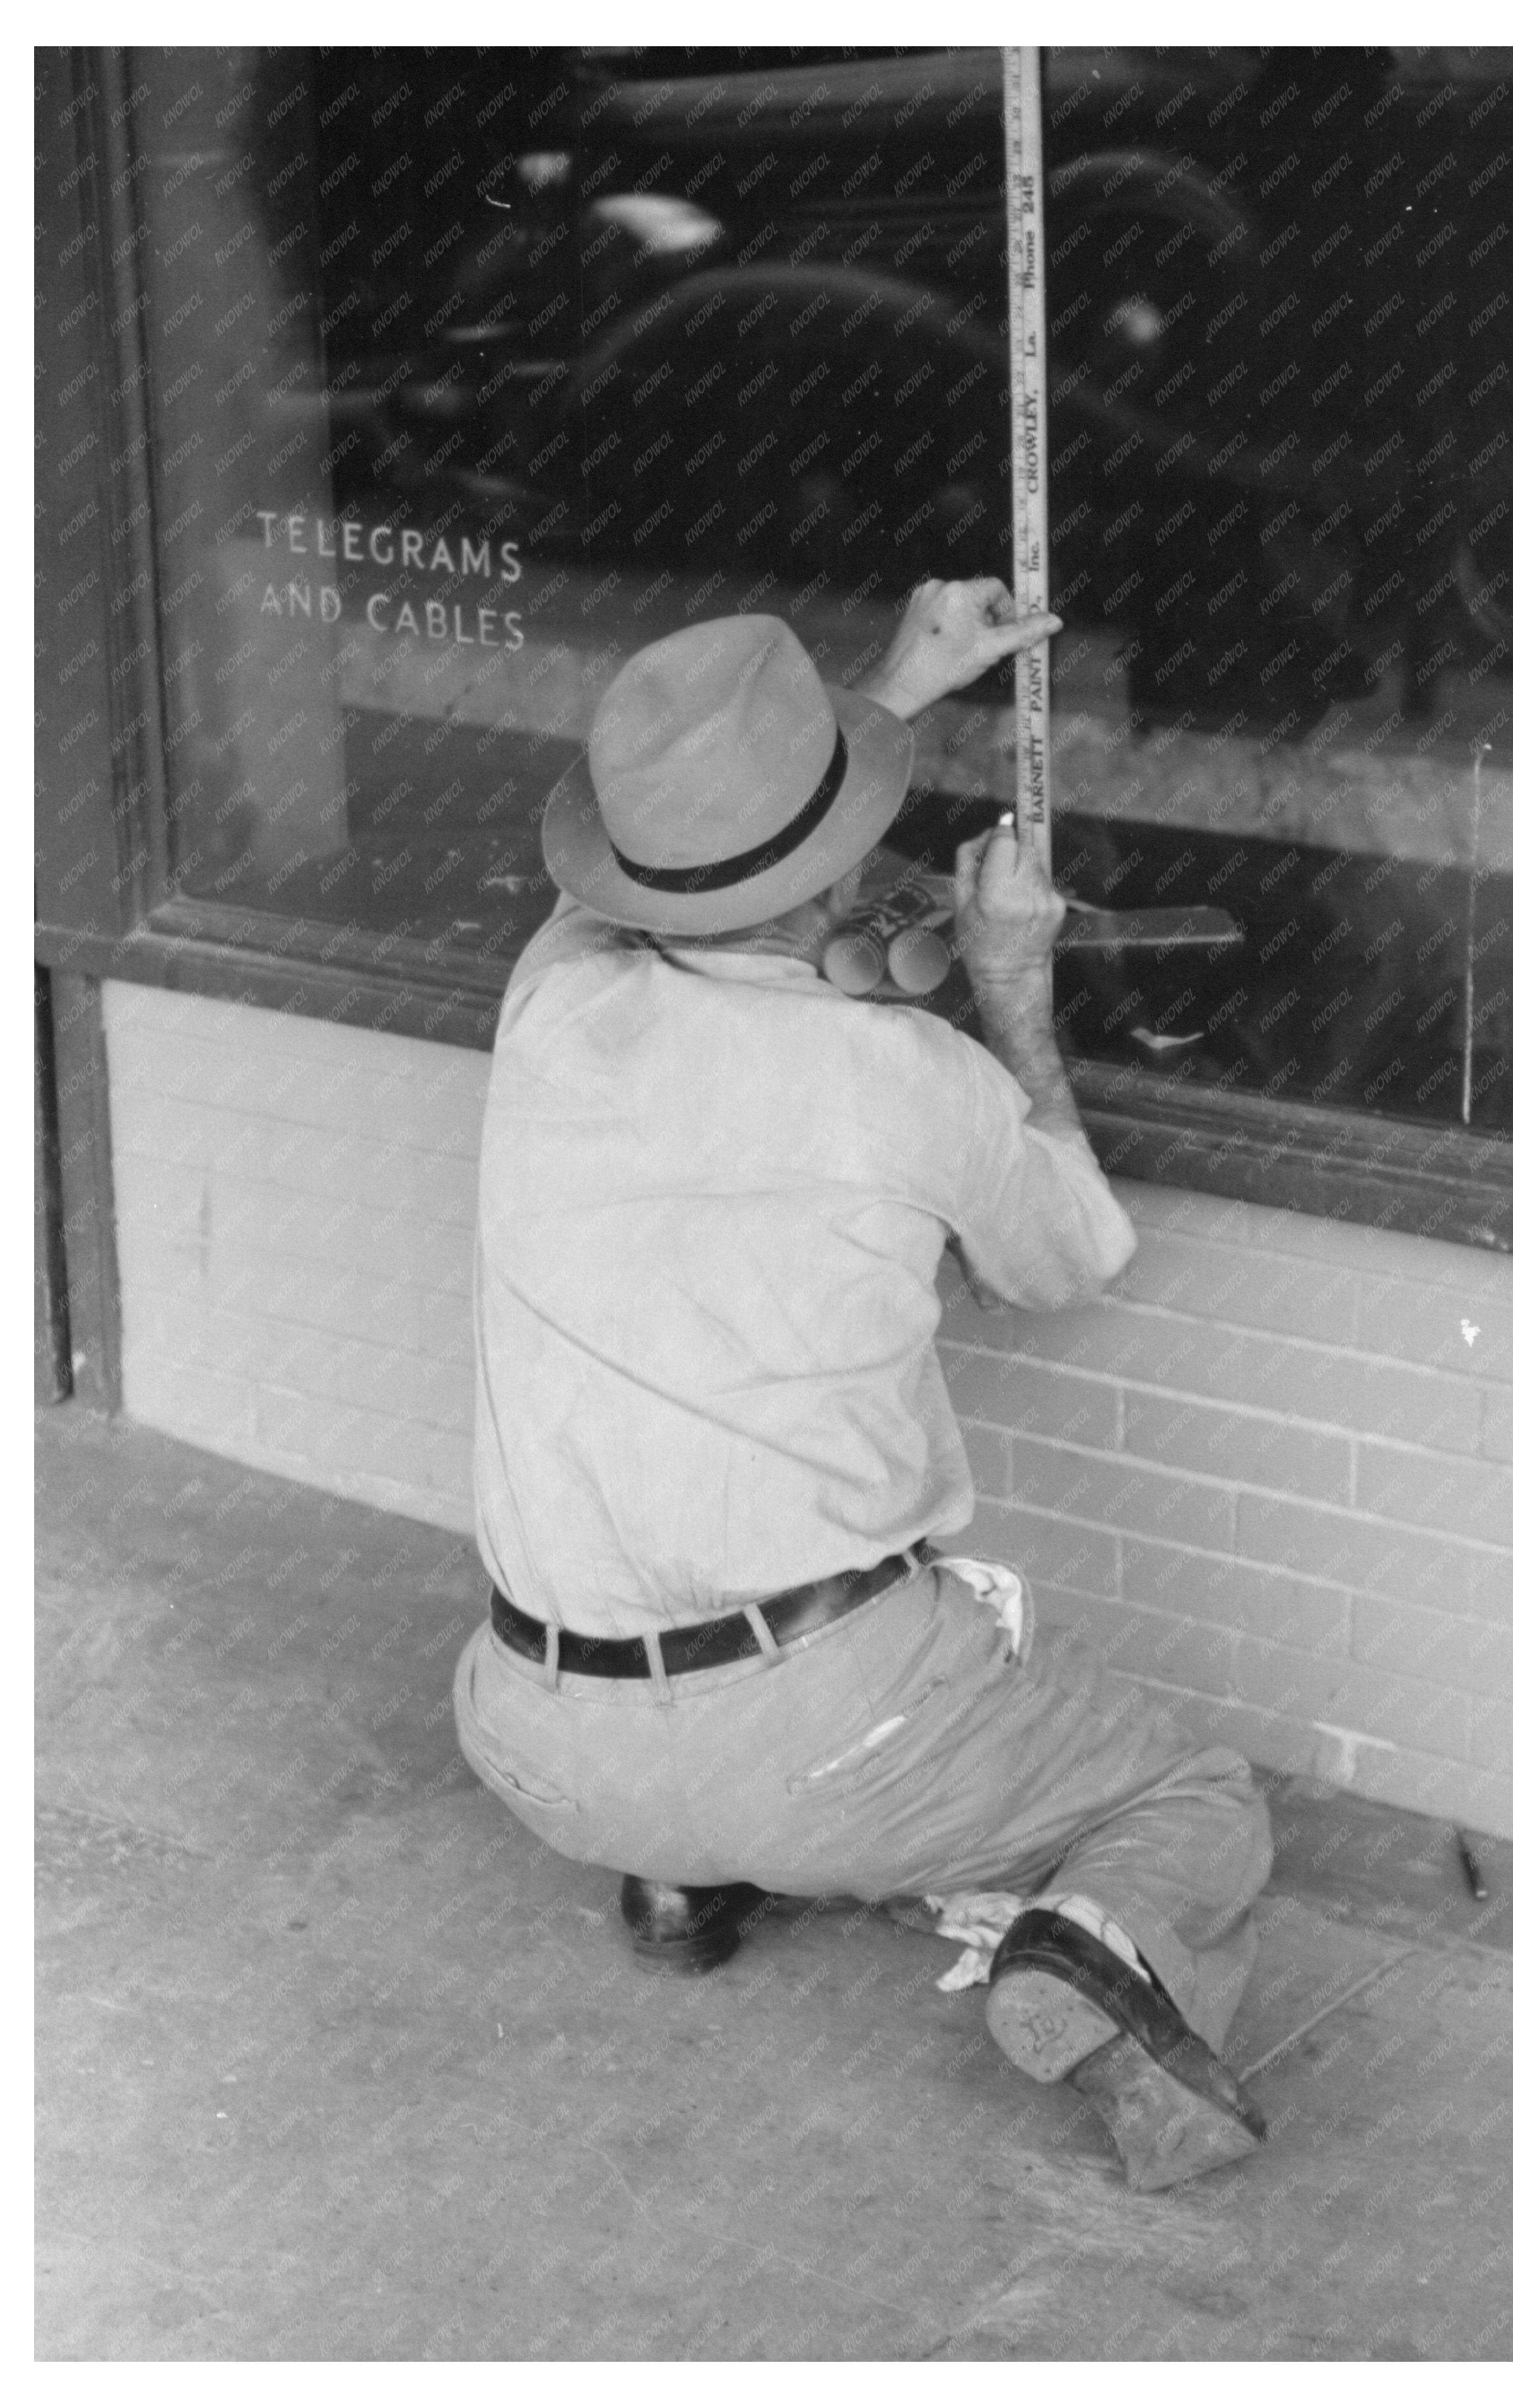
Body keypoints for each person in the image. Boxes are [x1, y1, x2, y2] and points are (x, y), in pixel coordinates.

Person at [453, 577, 1274, 2191]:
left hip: (535, 1742)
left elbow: (705, 868)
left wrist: (897, 683)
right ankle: (1088, 1961)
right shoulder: (909, 1076)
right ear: (840, 874)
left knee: (694, 1648)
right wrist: (1010, 979)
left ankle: (680, 1876)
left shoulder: (550, 999)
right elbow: (1065, 1258)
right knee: (1194, 1794)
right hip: (824, 1736)